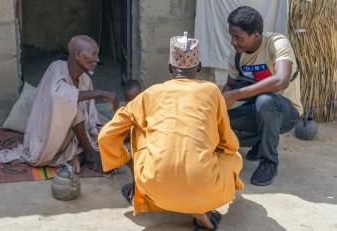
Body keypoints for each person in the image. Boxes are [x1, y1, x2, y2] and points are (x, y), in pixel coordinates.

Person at [98, 32, 244, 230]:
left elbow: (107, 135)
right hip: (204, 187)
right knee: (233, 156)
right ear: (199, 67)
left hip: (155, 188)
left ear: (169, 68)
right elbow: (228, 142)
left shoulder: (150, 94)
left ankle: (141, 186)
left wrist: (129, 163)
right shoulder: (212, 92)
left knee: (138, 128)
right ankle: (199, 204)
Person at [0, 35, 118, 173]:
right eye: (94, 54)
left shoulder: (85, 80)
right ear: (77, 55)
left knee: (111, 134)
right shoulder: (56, 67)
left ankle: (77, 155)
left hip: (71, 136)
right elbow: (61, 96)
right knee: (71, 108)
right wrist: (100, 93)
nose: (97, 60)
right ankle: (90, 157)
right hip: (48, 135)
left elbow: (90, 119)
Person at [223, 6, 303, 186]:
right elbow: (230, 85)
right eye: (232, 36)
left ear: (256, 36)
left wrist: (235, 94)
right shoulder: (236, 55)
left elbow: (281, 80)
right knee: (218, 119)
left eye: (239, 37)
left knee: (265, 101)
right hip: (256, 110)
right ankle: (259, 142)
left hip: (286, 113)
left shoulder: (277, 43)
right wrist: (220, 103)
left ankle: (269, 162)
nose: (233, 42)